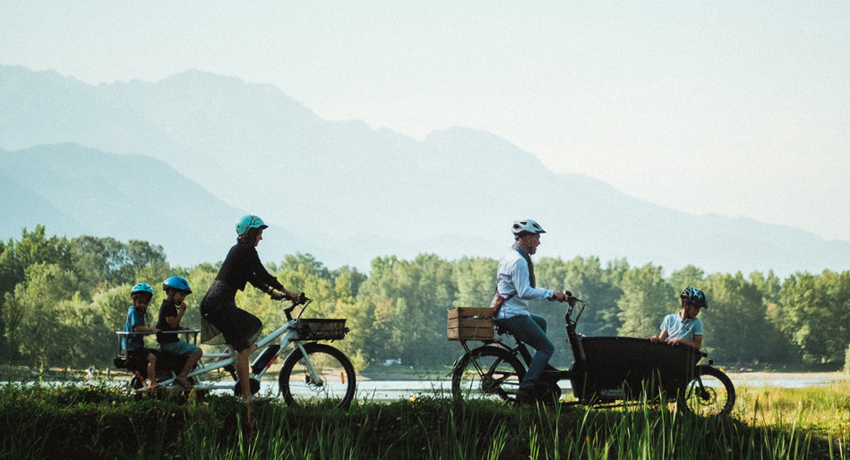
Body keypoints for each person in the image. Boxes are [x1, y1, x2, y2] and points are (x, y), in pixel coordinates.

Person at [199, 215, 300, 404]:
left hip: (216, 304)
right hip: (219, 304)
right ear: (251, 233)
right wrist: (288, 292)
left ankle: (226, 367)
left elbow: (251, 277)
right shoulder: (246, 250)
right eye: (260, 233)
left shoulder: (239, 250)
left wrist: (271, 292)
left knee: (239, 344)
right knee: (246, 339)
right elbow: (261, 273)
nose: (261, 237)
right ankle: (247, 397)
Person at [493, 219, 569, 404]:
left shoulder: (511, 255)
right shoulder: (518, 261)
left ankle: (540, 369)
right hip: (512, 315)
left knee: (541, 322)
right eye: (537, 238)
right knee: (546, 347)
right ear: (527, 238)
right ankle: (525, 392)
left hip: (508, 311)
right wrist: (551, 293)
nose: (539, 242)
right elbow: (524, 291)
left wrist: (549, 296)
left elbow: (519, 289)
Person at [156, 276, 203, 388]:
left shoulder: (168, 306)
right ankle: (183, 376)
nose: (182, 299)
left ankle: (182, 374)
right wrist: (181, 312)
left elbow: (168, 325)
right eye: (181, 295)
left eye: (184, 296)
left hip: (168, 343)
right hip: (169, 344)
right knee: (198, 352)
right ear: (171, 292)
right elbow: (172, 324)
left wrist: (180, 328)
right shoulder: (168, 307)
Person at [123, 283, 160, 392]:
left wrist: (147, 332)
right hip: (132, 346)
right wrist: (151, 330)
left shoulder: (139, 312)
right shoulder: (133, 312)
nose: (143, 305)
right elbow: (137, 328)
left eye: (145, 303)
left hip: (136, 345)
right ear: (134, 301)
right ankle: (152, 382)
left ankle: (144, 381)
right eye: (140, 302)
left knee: (154, 355)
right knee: (152, 358)